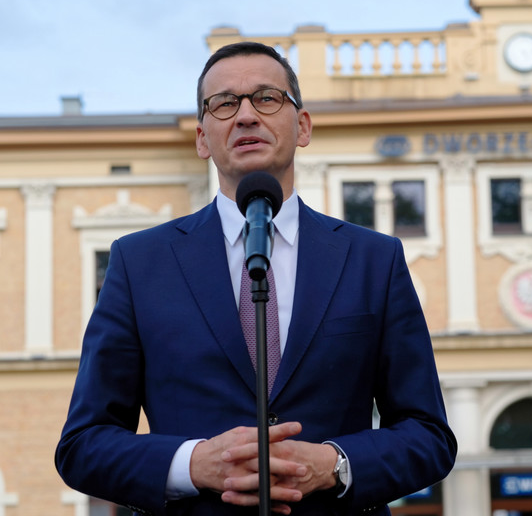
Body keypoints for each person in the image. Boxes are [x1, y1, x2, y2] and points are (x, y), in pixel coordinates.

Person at [55, 41, 457, 515]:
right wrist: (192, 464)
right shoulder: (139, 263)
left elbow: (428, 435)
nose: (245, 115)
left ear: (301, 126)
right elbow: (83, 444)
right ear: (202, 138)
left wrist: (334, 465)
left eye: (267, 98)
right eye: (224, 104)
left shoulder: (374, 259)